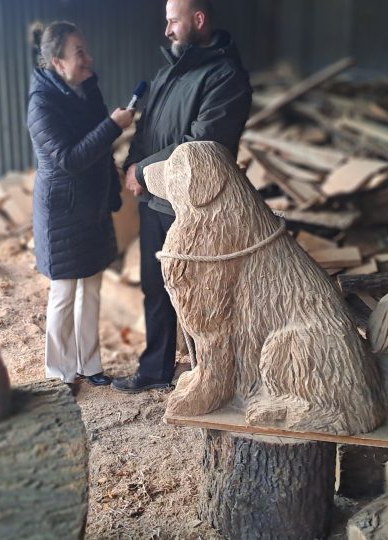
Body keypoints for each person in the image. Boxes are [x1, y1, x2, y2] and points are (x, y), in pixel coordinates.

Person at [113, 0, 252, 393]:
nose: (167, 30)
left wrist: (143, 170)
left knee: (202, 293)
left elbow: (203, 143)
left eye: (174, 21)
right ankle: (156, 370)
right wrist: (132, 164)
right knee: (155, 288)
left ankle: (212, 375)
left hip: (195, 209)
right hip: (155, 202)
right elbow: (146, 131)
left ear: (199, 20)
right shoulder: (167, 73)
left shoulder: (227, 78)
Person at [27, 21, 135, 388]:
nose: (89, 59)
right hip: (61, 213)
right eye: (80, 53)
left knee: (91, 288)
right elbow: (69, 159)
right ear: (58, 63)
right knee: (63, 293)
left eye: (86, 50)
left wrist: (112, 192)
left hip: (91, 208)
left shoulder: (88, 90)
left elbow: (99, 150)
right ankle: (59, 373)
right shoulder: (41, 105)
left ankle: (90, 366)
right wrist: (112, 126)